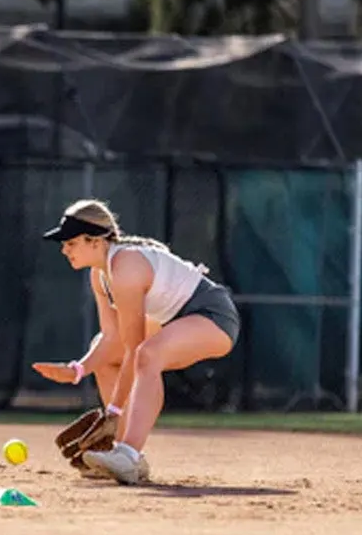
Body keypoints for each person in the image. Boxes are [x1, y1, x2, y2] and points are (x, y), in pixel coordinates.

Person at [31, 198, 241, 485]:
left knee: (147, 354)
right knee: (109, 359)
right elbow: (110, 337)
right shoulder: (100, 275)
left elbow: (134, 347)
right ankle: (125, 456)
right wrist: (78, 369)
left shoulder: (126, 267)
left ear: (95, 241)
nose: (64, 248)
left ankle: (126, 454)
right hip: (174, 319)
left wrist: (113, 411)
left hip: (212, 315)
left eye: (71, 241)